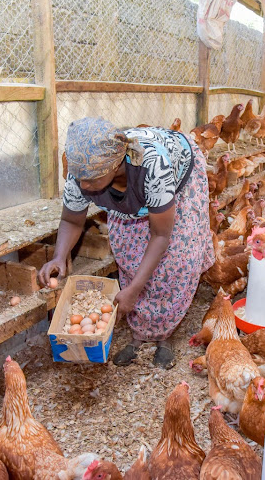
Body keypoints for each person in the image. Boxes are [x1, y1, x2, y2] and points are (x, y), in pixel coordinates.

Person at [38, 118, 214, 369]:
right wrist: (58, 256)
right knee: (129, 255)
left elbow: (161, 235)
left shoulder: (153, 166)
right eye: (79, 179)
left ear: (116, 165)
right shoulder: (83, 171)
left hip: (177, 173)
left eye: (91, 180)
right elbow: (72, 220)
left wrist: (135, 289)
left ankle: (166, 335)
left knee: (176, 261)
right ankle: (141, 332)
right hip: (134, 193)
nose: (83, 186)